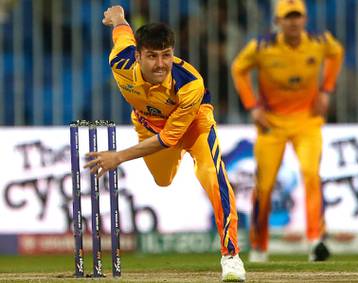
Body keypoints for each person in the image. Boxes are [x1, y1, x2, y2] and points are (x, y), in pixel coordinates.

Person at [84, 5, 246, 282]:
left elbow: (170, 138)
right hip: (149, 126)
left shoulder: (190, 83)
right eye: (152, 56)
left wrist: (119, 157)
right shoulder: (120, 63)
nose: (160, 64)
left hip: (194, 124)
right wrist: (119, 18)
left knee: (213, 174)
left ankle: (231, 256)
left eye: (166, 55)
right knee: (163, 179)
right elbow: (122, 34)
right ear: (138, 56)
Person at [231, 0, 343, 262]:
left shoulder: (319, 41)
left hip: (307, 120)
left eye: (297, 17)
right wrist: (253, 106)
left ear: (305, 19)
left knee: (310, 174)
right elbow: (238, 69)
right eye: (287, 17)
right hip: (272, 123)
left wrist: (326, 90)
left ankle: (316, 240)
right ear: (278, 22)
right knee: (265, 185)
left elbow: (336, 54)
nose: (293, 22)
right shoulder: (261, 47)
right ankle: (259, 245)